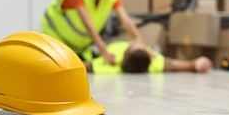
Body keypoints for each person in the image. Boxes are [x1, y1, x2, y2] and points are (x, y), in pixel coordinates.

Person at [83, 41, 213, 74]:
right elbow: (176, 65)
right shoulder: (155, 62)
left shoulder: (111, 62)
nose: (137, 42)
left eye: (135, 45)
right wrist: (195, 63)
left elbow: (85, 66)